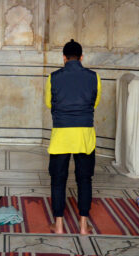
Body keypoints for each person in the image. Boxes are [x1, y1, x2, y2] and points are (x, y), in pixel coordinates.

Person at [45, 39, 101, 235]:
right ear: (82, 57)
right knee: (85, 179)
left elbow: (49, 103)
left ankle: (58, 224)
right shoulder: (94, 77)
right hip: (84, 136)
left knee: (58, 180)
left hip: (61, 136)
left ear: (63, 58)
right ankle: (84, 225)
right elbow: (94, 103)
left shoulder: (53, 77)